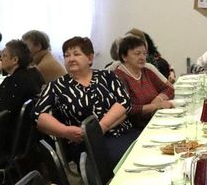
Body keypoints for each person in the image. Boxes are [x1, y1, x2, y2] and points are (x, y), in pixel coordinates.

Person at [34, 36, 140, 167]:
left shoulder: (107, 76)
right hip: (86, 143)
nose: (71, 59)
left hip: (123, 132)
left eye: (76, 54)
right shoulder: (56, 86)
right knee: (129, 160)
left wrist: (101, 127)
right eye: (67, 55)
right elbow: (39, 115)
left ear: (90, 58)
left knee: (148, 149)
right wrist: (65, 131)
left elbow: (124, 101)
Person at [114, 35, 175, 129]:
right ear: (124, 57)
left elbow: (169, 88)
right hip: (134, 128)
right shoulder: (118, 76)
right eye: (137, 53)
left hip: (154, 120)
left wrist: (158, 99)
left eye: (144, 53)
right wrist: (153, 106)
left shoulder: (146, 71)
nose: (142, 57)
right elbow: (127, 108)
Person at [0, 40, 43, 140]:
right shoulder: (34, 73)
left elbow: (1, 116)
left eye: (4, 55)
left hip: (9, 137)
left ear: (15, 60)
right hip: (28, 134)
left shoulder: (14, 81)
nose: (1, 58)